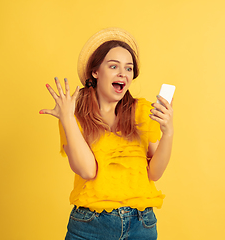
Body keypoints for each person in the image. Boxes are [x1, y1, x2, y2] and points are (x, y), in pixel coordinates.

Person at [39, 28, 174, 240]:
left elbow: (154, 174)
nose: (123, 74)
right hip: (90, 226)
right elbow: (87, 171)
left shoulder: (143, 111)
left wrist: (168, 133)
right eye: (113, 66)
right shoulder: (72, 113)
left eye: (128, 69)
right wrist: (66, 118)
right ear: (95, 72)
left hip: (141, 225)